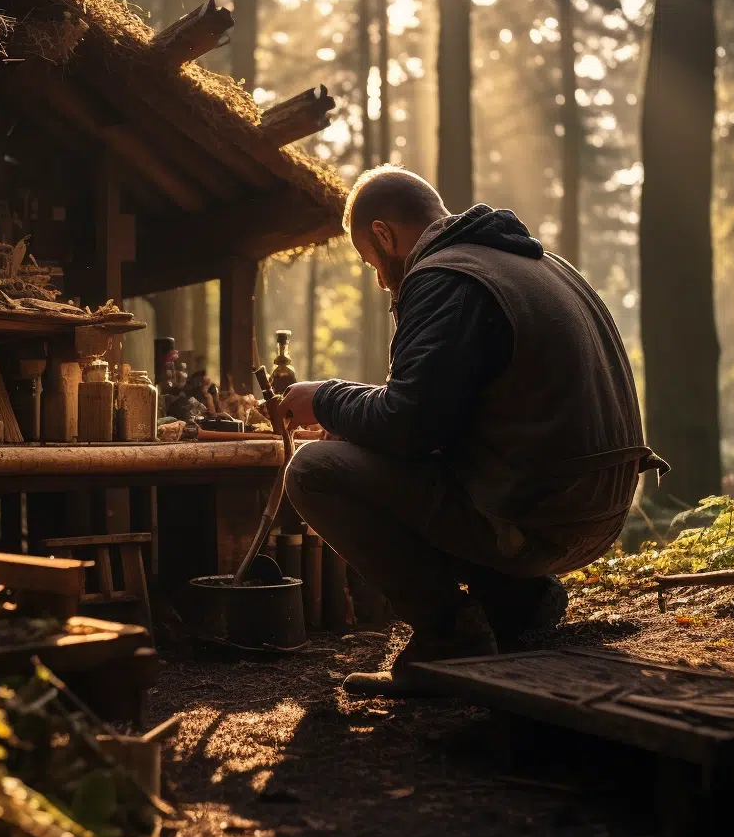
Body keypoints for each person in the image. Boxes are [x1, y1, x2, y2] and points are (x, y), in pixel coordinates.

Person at [280, 166, 667, 696]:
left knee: (314, 471)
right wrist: (358, 422)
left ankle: (448, 636)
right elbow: (445, 414)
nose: (378, 277)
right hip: (596, 512)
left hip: (537, 520)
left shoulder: (444, 278)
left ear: (384, 235)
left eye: (370, 260)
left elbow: (407, 427)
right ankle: (517, 599)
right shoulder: (537, 263)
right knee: (361, 455)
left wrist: (323, 399)